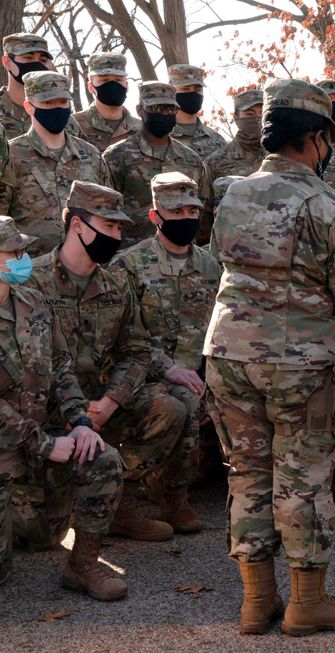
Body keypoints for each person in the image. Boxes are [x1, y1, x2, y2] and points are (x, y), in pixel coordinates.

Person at [204, 78, 335, 637]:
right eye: (326, 140)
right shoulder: (329, 207)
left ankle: (256, 603)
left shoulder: (230, 194)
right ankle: (308, 603)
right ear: (313, 139)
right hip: (299, 363)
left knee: (248, 474)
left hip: (228, 353)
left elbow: (222, 260)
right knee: (302, 476)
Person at [24, 180, 185, 542]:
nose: (116, 235)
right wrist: (71, 414)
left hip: (100, 405)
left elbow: (138, 350)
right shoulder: (29, 282)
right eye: (109, 226)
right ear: (78, 225)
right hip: (44, 414)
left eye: (119, 227)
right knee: (40, 539)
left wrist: (111, 402)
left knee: (171, 407)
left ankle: (117, 503)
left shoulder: (116, 286)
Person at [0, 215, 127, 600]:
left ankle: (82, 566)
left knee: (103, 459)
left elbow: (60, 366)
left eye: (23, 250)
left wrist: (78, 421)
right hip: (9, 450)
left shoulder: (32, 301)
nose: (23, 258)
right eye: (12, 252)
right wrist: (43, 444)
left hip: (41, 444)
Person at [112, 172, 221, 535]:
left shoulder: (210, 267)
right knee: (178, 404)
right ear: (155, 216)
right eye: (177, 212)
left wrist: (212, 380)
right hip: (139, 375)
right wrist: (168, 368)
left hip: (191, 376)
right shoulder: (129, 265)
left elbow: (218, 331)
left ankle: (174, 497)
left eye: (193, 210)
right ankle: (120, 498)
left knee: (191, 397)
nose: (187, 219)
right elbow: (122, 334)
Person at [0, 71, 110, 256]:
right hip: (32, 273)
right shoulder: (11, 155)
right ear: (29, 106)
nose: (56, 108)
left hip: (85, 267)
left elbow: (108, 213)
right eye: (47, 103)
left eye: (62, 102)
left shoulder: (91, 155)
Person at [103, 82, 212, 248]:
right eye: (156, 109)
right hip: (133, 257)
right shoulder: (117, 156)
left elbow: (202, 213)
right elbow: (105, 212)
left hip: (183, 257)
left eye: (170, 109)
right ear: (140, 110)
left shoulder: (192, 160)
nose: (164, 114)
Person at [72, 52, 142, 152]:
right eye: (104, 80)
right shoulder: (74, 125)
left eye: (118, 80)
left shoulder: (142, 129)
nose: (112, 85)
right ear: (90, 87)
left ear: (126, 86)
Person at [0, 34, 55, 138]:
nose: (37, 65)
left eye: (43, 60)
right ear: (7, 62)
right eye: (28, 58)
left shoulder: (58, 112)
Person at [168, 64, 227, 158]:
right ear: (171, 92)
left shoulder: (217, 140)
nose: (193, 93)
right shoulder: (161, 136)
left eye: (198, 88)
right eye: (185, 88)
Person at [205, 89, 265, 179]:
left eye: (262, 113)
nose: (258, 118)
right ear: (236, 118)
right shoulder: (215, 162)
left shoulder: (281, 156)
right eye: (250, 114)